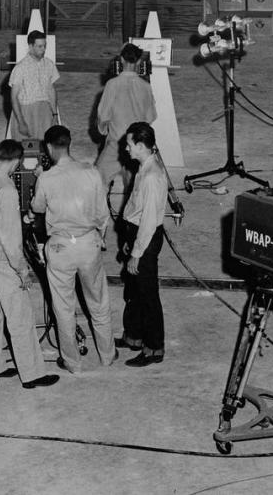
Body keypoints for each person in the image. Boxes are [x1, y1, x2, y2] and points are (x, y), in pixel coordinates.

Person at [0, 139, 59, 389]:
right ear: (17, 160)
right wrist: (22, 269)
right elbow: (10, 236)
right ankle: (32, 374)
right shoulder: (6, 190)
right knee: (20, 317)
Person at [29, 124, 115, 373]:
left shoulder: (46, 178)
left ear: (48, 147)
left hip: (60, 248)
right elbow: (102, 214)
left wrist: (38, 178)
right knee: (98, 302)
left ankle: (73, 362)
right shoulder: (91, 172)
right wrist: (99, 236)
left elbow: (38, 208)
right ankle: (107, 355)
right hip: (89, 244)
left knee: (64, 308)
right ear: (69, 144)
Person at [115, 121, 167, 367]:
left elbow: (148, 221)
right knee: (133, 292)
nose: (126, 149)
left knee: (147, 295)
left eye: (129, 144)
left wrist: (137, 253)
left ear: (141, 145)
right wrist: (128, 241)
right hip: (136, 233)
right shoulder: (144, 168)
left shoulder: (152, 177)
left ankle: (154, 348)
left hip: (145, 237)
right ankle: (134, 337)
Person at [94, 42, 157, 193]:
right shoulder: (146, 86)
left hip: (116, 144)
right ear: (139, 61)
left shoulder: (112, 84)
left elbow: (103, 115)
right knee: (134, 186)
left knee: (96, 182)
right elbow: (151, 117)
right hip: (138, 147)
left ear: (121, 60)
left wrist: (104, 132)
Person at [9, 30, 60, 140]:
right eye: (39, 46)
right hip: (26, 111)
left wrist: (55, 114)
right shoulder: (20, 68)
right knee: (24, 148)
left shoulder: (49, 64)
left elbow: (51, 90)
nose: (43, 49)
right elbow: (14, 97)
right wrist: (21, 122)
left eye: (44, 46)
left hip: (44, 111)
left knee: (46, 148)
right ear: (31, 46)